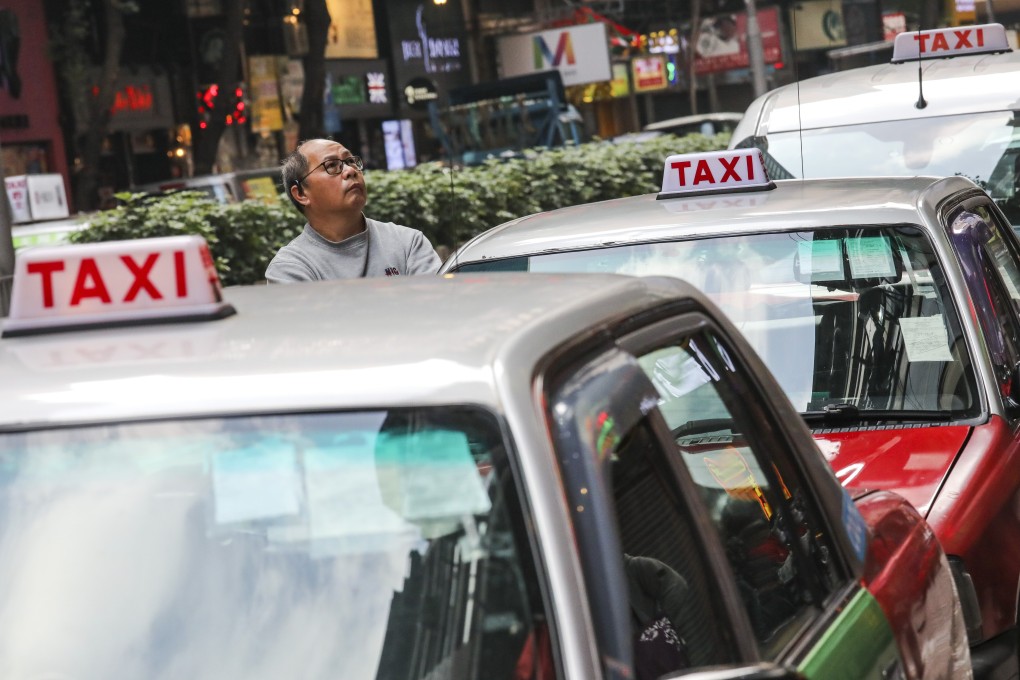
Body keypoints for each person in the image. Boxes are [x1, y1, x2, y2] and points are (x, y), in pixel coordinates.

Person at [266, 138, 441, 283]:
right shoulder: (290, 267)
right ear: (301, 194)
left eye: (350, 161)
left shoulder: (407, 243)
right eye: (332, 165)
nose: (350, 170)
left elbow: (435, 309)